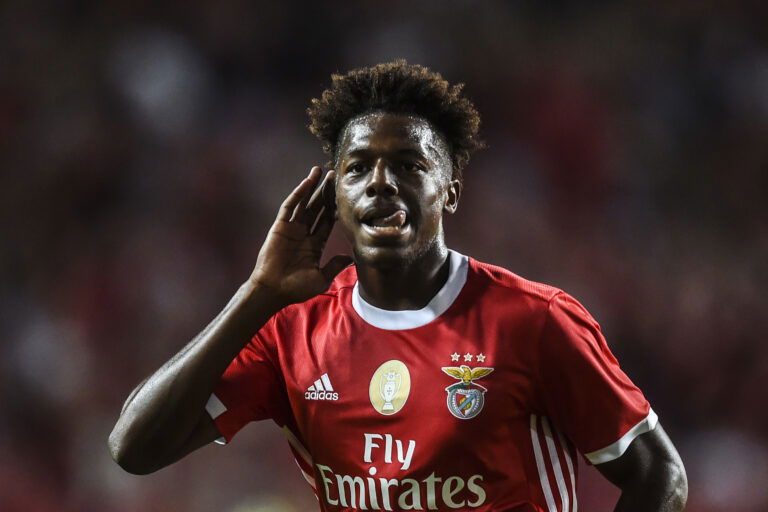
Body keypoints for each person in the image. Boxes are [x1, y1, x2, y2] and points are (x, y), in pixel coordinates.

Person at [109, 60, 687, 511]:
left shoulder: (534, 320)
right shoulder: (291, 330)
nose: (380, 183)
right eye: (358, 168)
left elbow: (660, 475)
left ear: (451, 190)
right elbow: (134, 450)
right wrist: (257, 293)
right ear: (336, 197)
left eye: (409, 164)